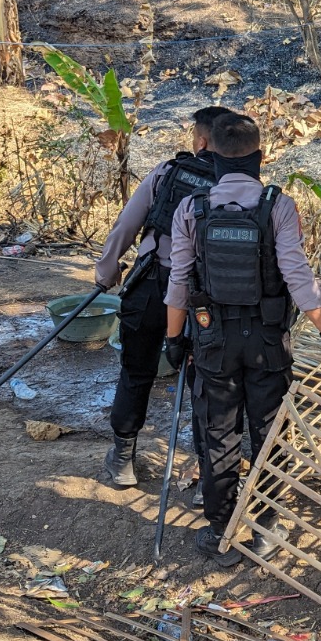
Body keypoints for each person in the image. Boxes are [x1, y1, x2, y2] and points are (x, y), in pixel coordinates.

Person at [163, 111, 321, 566]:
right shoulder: (278, 207)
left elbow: (179, 283)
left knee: (218, 434)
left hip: (213, 341)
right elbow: (298, 277)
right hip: (267, 342)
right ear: (260, 157)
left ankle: (221, 531)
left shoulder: (192, 209)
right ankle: (266, 527)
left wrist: (173, 340)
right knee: (269, 433)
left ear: (211, 153)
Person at [93, 105, 229, 489]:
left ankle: (122, 459)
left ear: (201, 141)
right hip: (205, 300)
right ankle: (207, 475)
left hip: (152, 287)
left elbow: (126, 225)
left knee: (136, 372)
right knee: (204, 384)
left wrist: (106, 273)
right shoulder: (236, 186)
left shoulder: (168, 172)